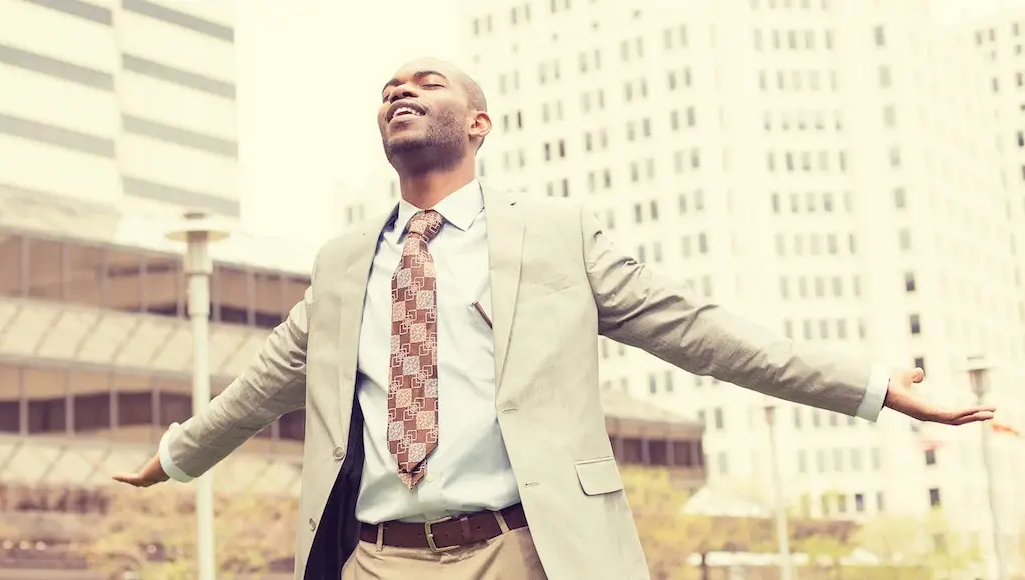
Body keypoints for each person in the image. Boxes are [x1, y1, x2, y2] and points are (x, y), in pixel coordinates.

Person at [114, 58, 996, 579]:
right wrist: (178, 454)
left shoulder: (557, 235)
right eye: (388, 90)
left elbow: (699, 330)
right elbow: (271, 378)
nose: (399, 94)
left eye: (425, 85)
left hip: (521, 552)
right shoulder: (346, 260)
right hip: (377, 559)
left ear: (480, 123)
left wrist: (874, 387)